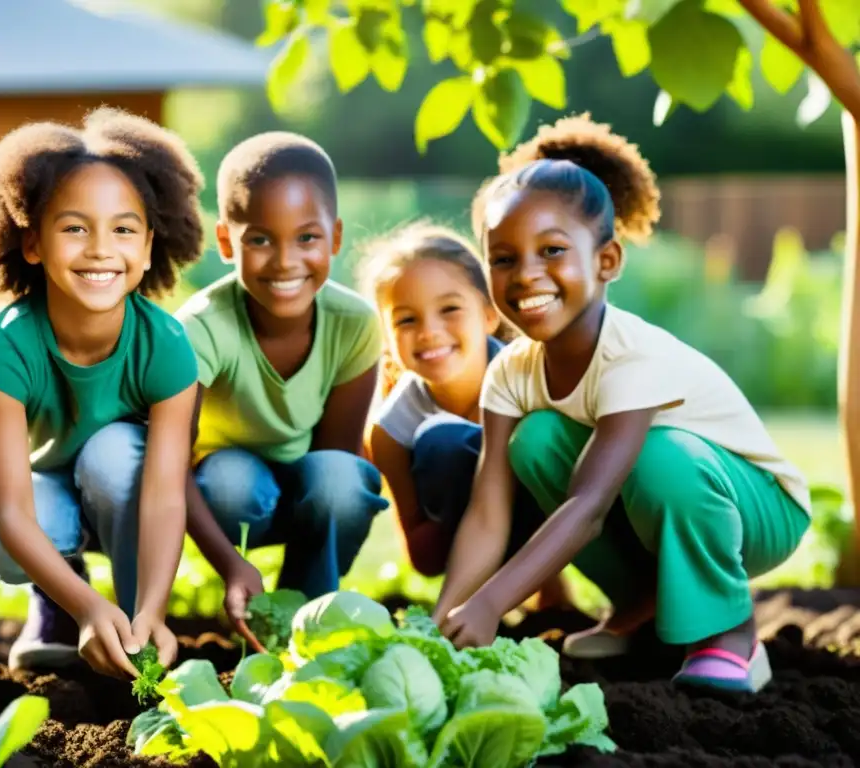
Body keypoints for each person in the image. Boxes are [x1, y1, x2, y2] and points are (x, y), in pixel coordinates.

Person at [431, 114, 811, 694]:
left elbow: (588, 504)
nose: (526, 273)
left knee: (660, 457)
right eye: (503, 258)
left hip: (757, 509)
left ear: (606, 261)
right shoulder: (510, 372)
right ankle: (643, 611)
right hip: (665, 497)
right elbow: (488, 512)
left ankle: (731, 636)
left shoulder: (629, 354)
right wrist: (444, 620)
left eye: (552, 250)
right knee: (535, 443)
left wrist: (492, 603)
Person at [0, 107, 204, 678]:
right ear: (32, 243)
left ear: (147, 248)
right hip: (44, 499)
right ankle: (62, 604)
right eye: (74, 227)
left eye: (123, 229)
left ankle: (132, 625)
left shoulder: (166, 345)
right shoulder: (3, 346)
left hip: (123, 493)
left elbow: (166, 495)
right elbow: (12, 509)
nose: (99, 249)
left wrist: (153, 611)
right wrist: (87, 606)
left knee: (114, 454)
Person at [174, 131, 390, 627]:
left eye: (307, 238)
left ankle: (304, 614)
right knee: (232, 481)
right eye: (261, 239)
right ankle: (252, 601)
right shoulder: (201, 328)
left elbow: (335, 458)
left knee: (342, 478)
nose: (286, 261)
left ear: (334, 238)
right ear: (228, 241)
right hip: (226, 494)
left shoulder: (354, 322)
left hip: (304, 484)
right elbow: (168, 464)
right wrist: (230, 563)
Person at [357, 221, 570, 608]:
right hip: (458, 537)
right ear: (387, 338)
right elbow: (424, 561)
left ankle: (554, 593)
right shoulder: (391, 429)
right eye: (406, 319)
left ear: (489, 315)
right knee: (444, 442)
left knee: (537, 437)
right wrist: (461, 498)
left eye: (450, 309)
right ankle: (472, 597)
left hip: (557, 526)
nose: (429, 332)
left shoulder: (536, 380)